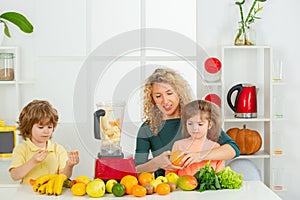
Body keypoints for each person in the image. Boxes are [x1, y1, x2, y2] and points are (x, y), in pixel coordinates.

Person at [134, 68, 239, 177]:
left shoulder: (195, 119)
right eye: (158, 96)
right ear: (152, 99)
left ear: (179, 93)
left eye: (169, 93)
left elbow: (233, 149)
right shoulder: (147, 128)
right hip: (166, 188)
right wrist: (155, 163)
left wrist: (198, 156)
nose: (165, 101)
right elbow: (137, 169)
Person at [9, 100, 79, 184]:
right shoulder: (22, 149)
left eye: (49, 127)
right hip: (28, 195)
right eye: (41, 127)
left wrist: (69, 165)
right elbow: (15, 176)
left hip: (52, 193)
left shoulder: (58, 149)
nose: (46, 131)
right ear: (28, 127)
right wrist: (33, 161)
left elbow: (64, 177)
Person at [167, 99, 225, 176]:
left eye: (200, 124)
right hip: (182, 187)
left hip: (208, 188)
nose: (194, 128)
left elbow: (219, 175)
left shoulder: (216, 147)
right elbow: (171, 173)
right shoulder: (178, 145)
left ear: (209, 125)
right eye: (190, 123)